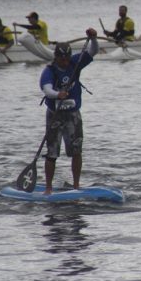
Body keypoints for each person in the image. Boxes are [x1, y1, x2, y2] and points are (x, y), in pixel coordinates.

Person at [39, 28, 99, 195]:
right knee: (52, 153)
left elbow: (93, 51)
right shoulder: (49, 70)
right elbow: (46, 89)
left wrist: (93, 38)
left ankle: (76, 186)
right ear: (56, 57)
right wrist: (58, 94)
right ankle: (48, 188)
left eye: (66, 58)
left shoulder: (75, 63)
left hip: (73, 114)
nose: (64, 61)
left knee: (76, 151)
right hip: (55, 115)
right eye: (61, 58)